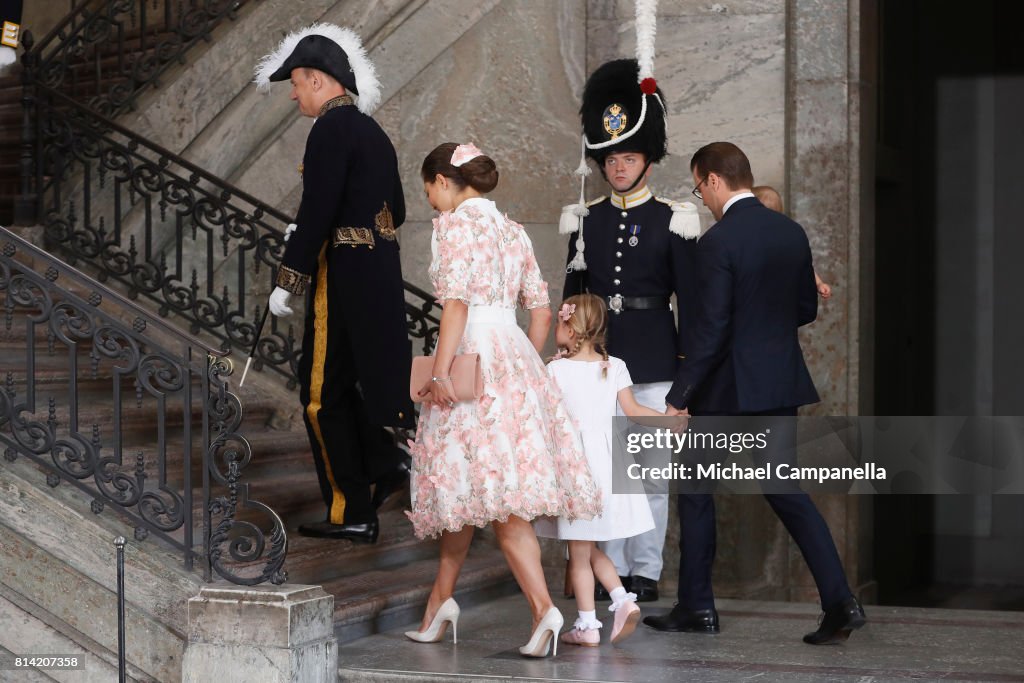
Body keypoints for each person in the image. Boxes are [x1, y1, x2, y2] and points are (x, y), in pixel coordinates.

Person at [647, 141, 866, 645]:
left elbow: (711, 329)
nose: (701, 197)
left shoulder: (719, 242)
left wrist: (680, 395)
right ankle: (840, 601)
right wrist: (763, 324)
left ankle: (698, 607)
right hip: (777, 382)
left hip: (725, 390)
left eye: (700, 186)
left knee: (698, 495)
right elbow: (806, 309)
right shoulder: (791, 232)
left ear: (715, 180)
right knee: (789, 494)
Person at [404, 142, 602, 658]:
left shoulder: (453, 226)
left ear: (444, 183)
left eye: (430, 191)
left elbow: (456, 307)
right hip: (513, 356)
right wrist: (523, 365)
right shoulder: (513, 231)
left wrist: (442, 371)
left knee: (486, 493)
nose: (431, 202)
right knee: (477, 491)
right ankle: (438, 605)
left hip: (469, 357)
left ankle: (543, 609)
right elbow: (540, 311)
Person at [254, 24, 413, 542]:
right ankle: (383, 469)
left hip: (341, 279)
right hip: (378, 276)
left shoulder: (328, 129)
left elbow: (318, 208)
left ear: (319, 80)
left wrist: (288, 278)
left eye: (296, 84)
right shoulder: (373, 131)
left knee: (320, 393)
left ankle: (351, 507)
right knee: (347, 388)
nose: (294, 94)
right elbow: (399, 210)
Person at [560, 58, 701, 603]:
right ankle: (608, 571)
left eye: (629, 157)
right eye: (611, 158)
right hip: (595, 369)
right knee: (599, 475)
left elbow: (690, 304)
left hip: (654, 362)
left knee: (647, 479)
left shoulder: (675, 218)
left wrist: (686, 383)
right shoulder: (585, 218)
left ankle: (645, 569)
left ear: (648, 159)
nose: (618, 167)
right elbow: (572, 299)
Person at [534, 294, 662, 647]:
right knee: (588, 546)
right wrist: (669, 420)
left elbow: (544, 418)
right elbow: (634, 410)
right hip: (608, 465)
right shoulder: (615, 365)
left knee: (578, 555)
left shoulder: (555, 370)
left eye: (560, 322)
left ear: (571, 326)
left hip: (574, 467)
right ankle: (621, 599)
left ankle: (588, 625)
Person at [752, 185, 832, 299]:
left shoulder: (779, 239)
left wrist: (819, 284)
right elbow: (805, 266)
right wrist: (819, 284)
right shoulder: (786, 237)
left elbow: (803, 266)